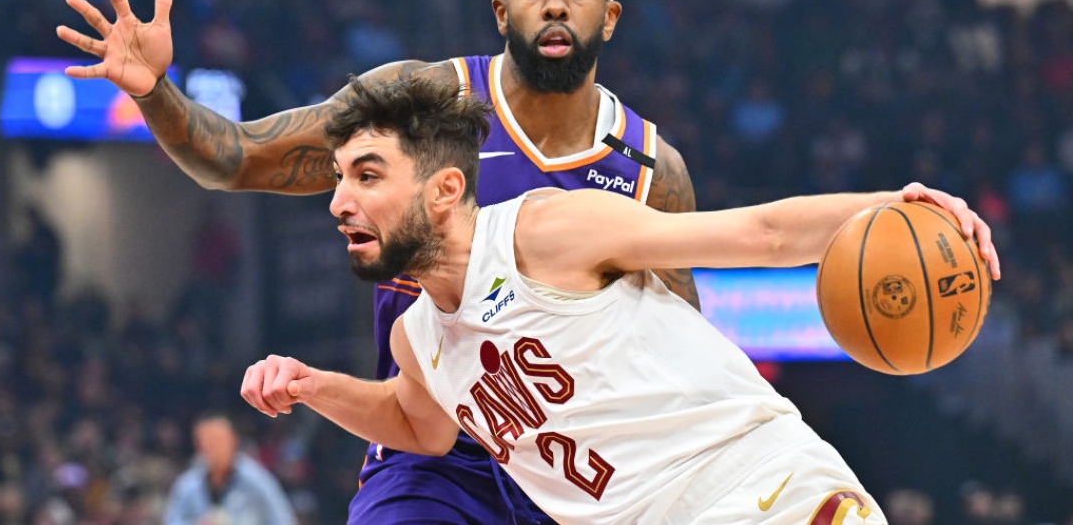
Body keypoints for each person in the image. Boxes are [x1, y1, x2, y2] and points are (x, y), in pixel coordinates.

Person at [57, 0, 698, 523]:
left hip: (579, 472)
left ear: (609, 18)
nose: (554, 6)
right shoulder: (419, 104)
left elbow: (683, 357)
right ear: (502, 13)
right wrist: (153, 92)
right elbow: (236, 158)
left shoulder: (650, 171)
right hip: (432, 453)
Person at [239, 75, 1001, 524]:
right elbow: (417, 424)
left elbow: (760, 236)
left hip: (755, 494)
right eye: (338, 177)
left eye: (366, 175)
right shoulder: (418, 338)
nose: (339, 200)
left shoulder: (545, 230)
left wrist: (898, 205)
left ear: (444, 190)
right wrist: (314, 388)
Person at [164, 412, 296, 525]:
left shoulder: (257, 481)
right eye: (206, 440)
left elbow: (283, 520)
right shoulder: (187, 486)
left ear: (233, 440)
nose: (212, 446)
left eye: (217, 439)